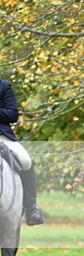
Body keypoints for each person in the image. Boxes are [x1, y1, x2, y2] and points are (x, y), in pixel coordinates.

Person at [0, 79, 45, 225]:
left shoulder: (3, 86)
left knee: (25, 159)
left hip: (1, 136)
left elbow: (12, 114)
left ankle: (31, 209)